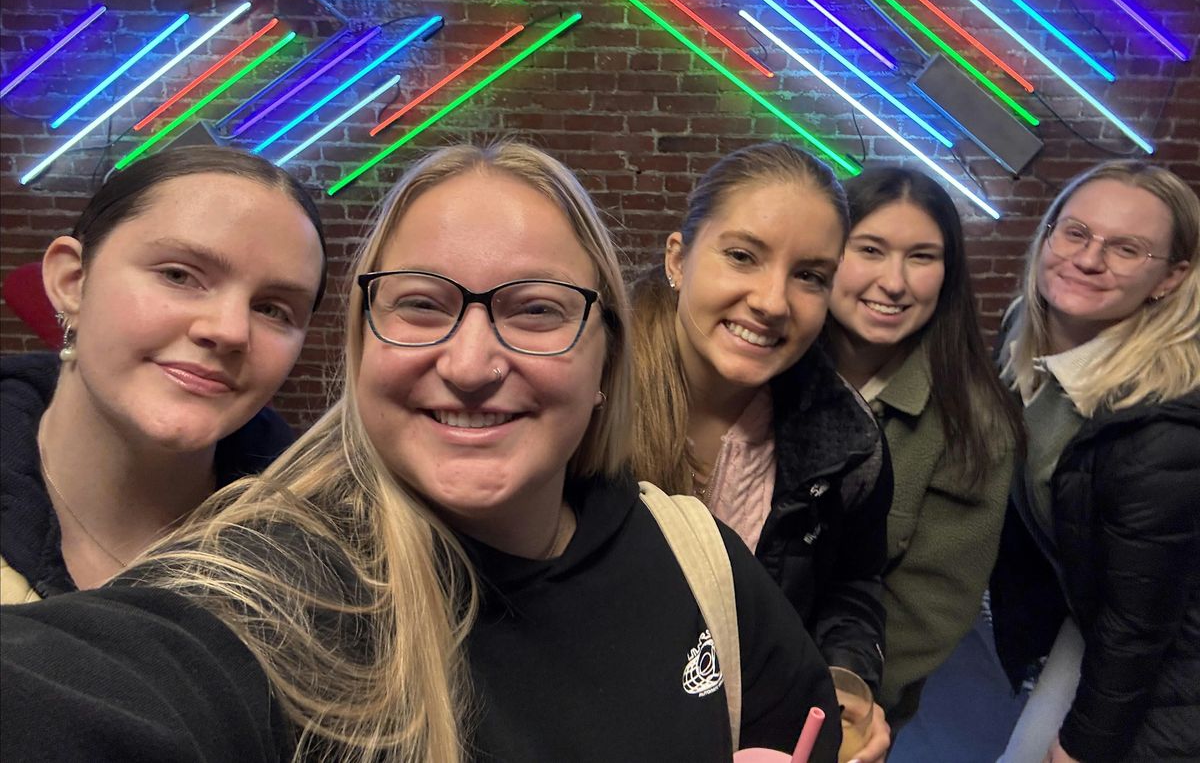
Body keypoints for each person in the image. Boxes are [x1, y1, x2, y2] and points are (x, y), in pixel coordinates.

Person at [1, 141, 842, 763]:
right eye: (420, 305)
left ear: (605, 365)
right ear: (363, 346)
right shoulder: (283, 597)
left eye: (536, 311)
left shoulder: (693, 556)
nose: (471, 365)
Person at [629, 142, 893, 762]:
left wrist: (843, 674)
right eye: (743, 256)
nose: (773, 302)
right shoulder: (583, 398)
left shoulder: (846, 443)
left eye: (809, 276)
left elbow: (851, 584)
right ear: (678, 258)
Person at [0, 146, 327, 603]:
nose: (229, 330)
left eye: (273, 309)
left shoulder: (331, 567)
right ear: (72, 282)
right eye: (179, 275)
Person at [990, 161, 1199, 763]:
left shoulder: (1161, 424)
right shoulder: (1023, 336)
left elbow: (1142, 622)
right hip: (1093, 616)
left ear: (1170, 277)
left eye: (1126, 249)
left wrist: (1084, 746)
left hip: (1171, 655)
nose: (1087, 259)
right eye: (1076, 232)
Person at [822, 167, 1024, 729]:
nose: (894, 282)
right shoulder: (766, 366)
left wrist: (824, 694)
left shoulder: (974, 423)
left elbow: (928, 609)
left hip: (842, 708)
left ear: (948, 273)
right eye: (870, 249)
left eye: (921, 257)